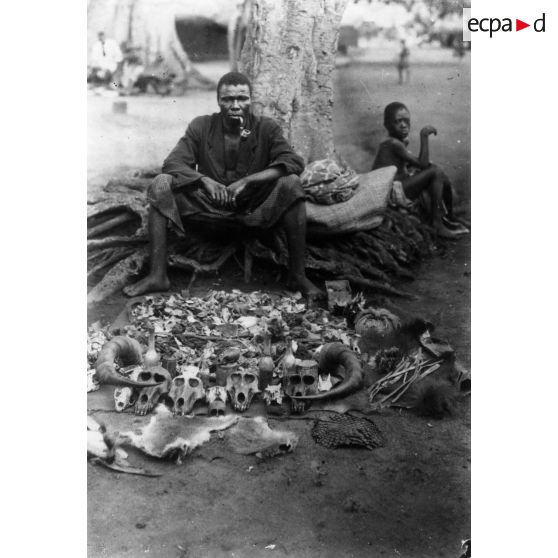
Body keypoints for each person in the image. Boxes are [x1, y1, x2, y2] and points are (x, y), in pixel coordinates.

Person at [123, 72, 321, 298]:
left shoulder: (266, 128)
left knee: (292, 183)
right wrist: (204, 181)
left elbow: (293, 161)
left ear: (251, 99)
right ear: (218, 101)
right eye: (228, 99)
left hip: (253, 211)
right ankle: (157, 275)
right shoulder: (202, 126)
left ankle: (297, 275)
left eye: (242, 98)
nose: (235, 105)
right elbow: (173, 162)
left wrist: (248, 181)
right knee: (161, 183)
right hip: (207, 209)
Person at [372, 102, 468, 239]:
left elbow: (410, 164)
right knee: (435, 172)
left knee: (436, 171)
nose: (404, 125)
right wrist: (424, 136)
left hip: (397, 185)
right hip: (389, 192)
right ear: (387, 125)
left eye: (406, 121)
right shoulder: (393, 144)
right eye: (398, 122)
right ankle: (437, 224)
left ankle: (450, 217)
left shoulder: (397, 142)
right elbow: (422, 163)